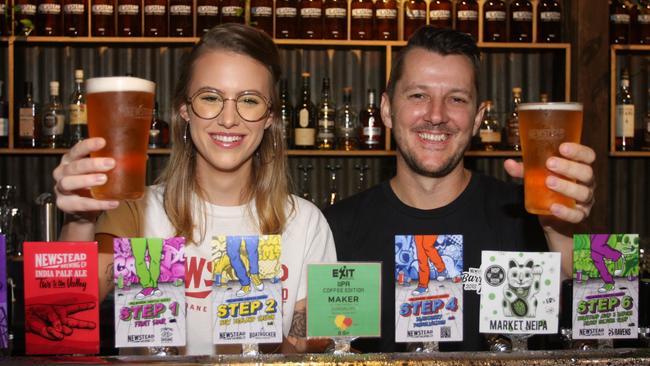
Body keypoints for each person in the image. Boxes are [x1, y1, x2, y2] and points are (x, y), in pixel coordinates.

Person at [52, 23, 336, 355]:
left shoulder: (305, 222)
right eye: (210, 97)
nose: (228, 119)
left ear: (270, 116)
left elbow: (310, 345)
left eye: (249, 100)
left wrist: (268, 338)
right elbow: (64, 319)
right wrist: (79, 220)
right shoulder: (137, 211)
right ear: (184, 110)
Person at [323, 26, 595, 352]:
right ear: (386, 110)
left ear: (479, 118)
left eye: (456, 99)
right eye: (418, 95)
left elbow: (590, 336)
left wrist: (562, 233)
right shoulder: (334, 229)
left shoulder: (528, 219)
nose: (436, 116)